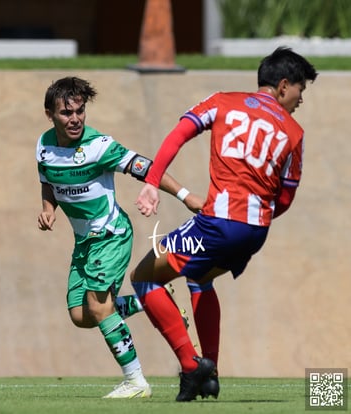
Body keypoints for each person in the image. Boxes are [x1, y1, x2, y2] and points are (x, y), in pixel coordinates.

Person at [130, 47, 318, 402]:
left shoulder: (222, 102)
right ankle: (211, 373)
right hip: (254, 231)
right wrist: (256, 217)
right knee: (200, 279)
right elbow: (286, 198)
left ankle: (191, 365)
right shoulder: (294, 133)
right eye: (300, 90)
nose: (300, 99)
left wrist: (152, 181)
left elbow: (178, 135)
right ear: (282, 86)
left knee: (143, 277)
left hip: (217, 224)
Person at [36, 76, 203, 399]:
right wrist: (47, 208)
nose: (75, 119)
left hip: (111, 235)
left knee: (98, 307)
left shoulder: (99, 146)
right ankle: (151, 301)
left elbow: (147, 168)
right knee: (81, 315)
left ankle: (136, 381)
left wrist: (186, 196)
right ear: (50, 115)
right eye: (66, 113)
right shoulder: (43, 146)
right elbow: (47, 179)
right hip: (84, 243)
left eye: (80, 111)